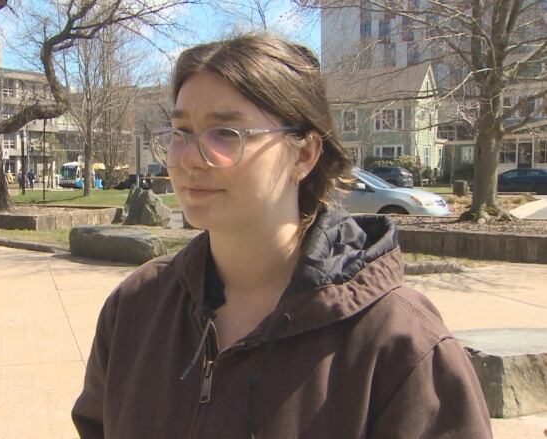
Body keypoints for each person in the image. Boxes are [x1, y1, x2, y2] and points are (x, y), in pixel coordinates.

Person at [72, 34, 491, 438]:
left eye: (225, 133)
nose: (189, 159)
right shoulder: (136, 308)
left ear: (305, 154)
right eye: (180, 133)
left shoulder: (398, 342)